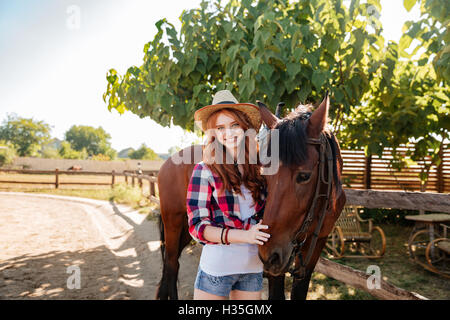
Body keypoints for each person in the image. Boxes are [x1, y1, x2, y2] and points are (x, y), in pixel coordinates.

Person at [186, 89, 271, 300]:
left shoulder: (260, 170)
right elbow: (198, 227)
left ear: (245, 128)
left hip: (252, 269)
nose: (229, 133)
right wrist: (246, 235)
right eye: (220, 127)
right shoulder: (204, 170)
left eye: (234, 125)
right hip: (217, 270)